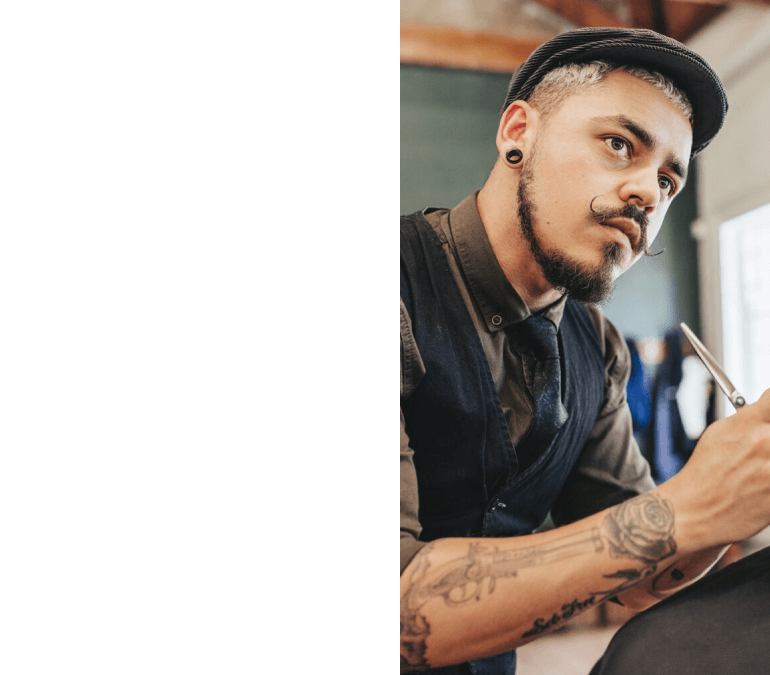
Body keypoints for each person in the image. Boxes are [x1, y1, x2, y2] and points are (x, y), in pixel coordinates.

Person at [400, 27, 770, 675]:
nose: (648, 193)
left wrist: (737, 495)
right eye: (619, 144)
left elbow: (636, 578)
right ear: (518, 131)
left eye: (669, 180)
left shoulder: (597, 349)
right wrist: (692, 503)